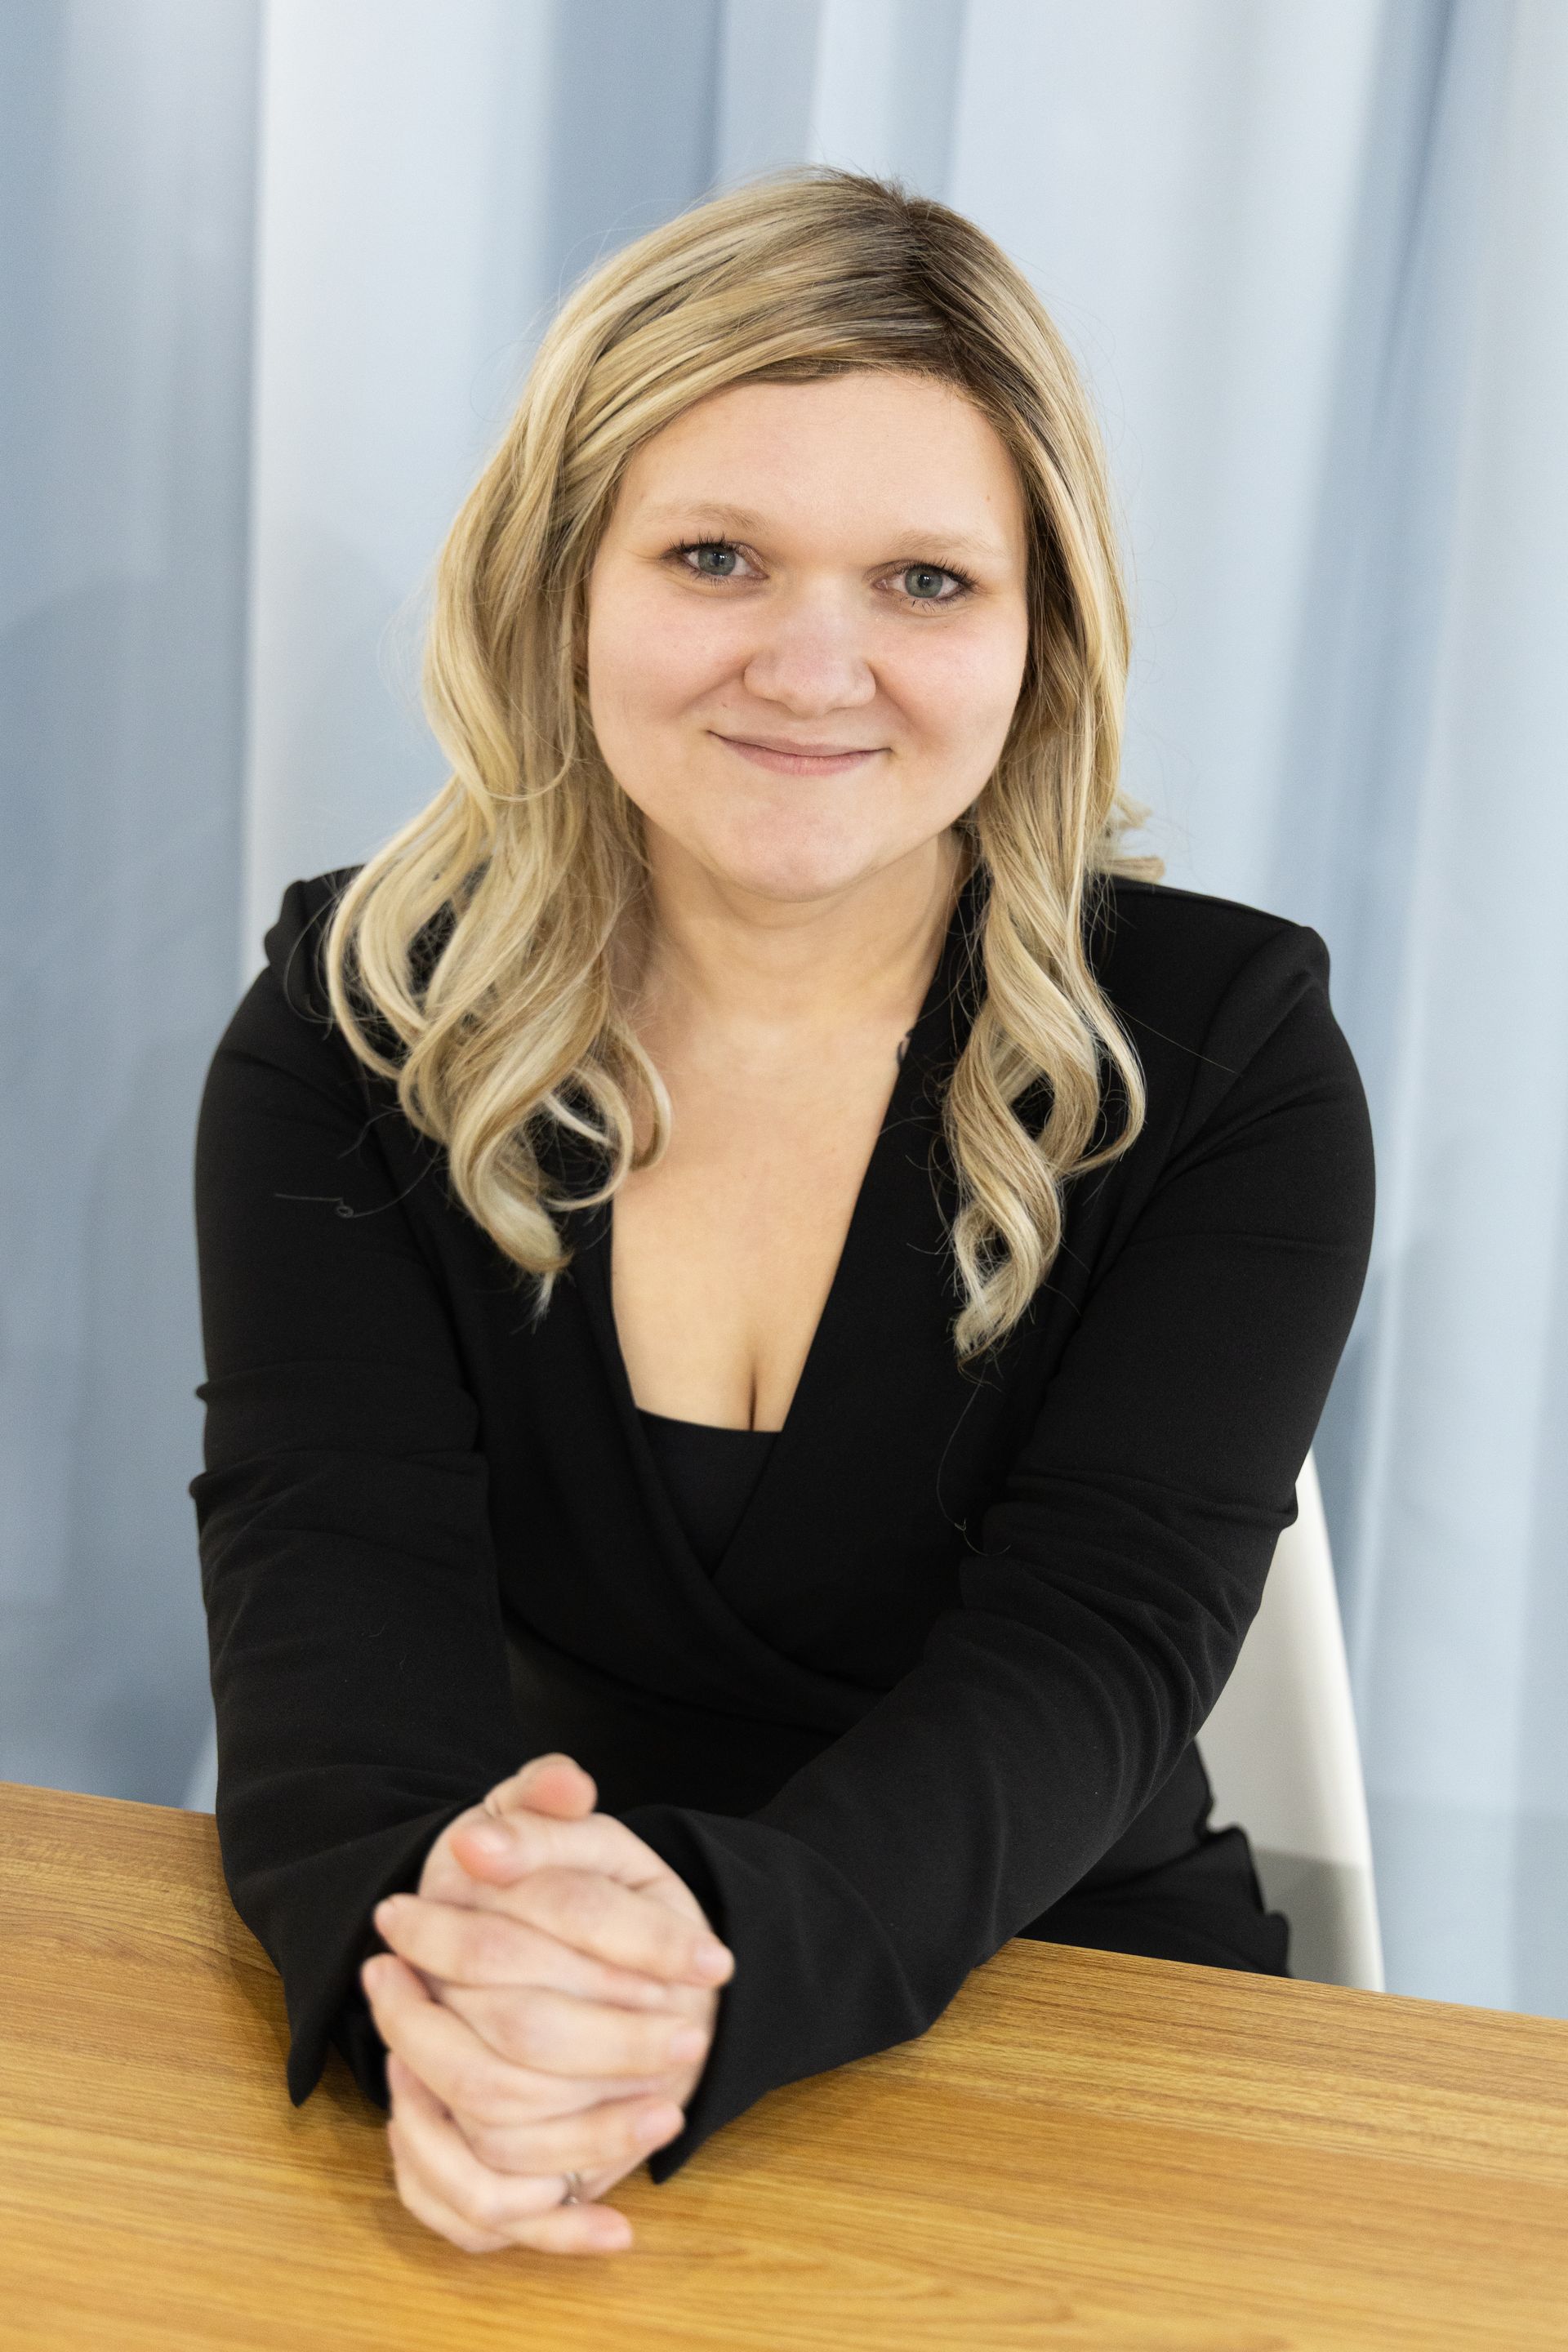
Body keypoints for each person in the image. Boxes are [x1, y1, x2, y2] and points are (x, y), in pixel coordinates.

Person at [191, 167, 1374, 2258]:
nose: (814, 665)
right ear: (563, 586)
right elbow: (332, 1617)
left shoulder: (1228, 1063)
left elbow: (1094, 1658)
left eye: (926, 581)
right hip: (499, 1995)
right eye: (717, 555)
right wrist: (449, 2012)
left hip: (1060, 2008)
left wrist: (683, 1996)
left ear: (1041, 635)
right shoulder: (353, 1028)